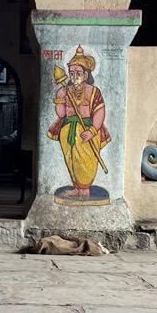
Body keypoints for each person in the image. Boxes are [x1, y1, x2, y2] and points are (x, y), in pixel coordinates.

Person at [47, 46, 110, 199]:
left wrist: (92, 131)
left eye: (78, 73)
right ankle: (77, 188)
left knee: (86, 161)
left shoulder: (94, 91)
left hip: (87, 131)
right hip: (67, 131)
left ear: (86, 74)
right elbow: (61, 114)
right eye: (72, 73)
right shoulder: (64, 91)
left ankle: (85, 190)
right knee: (71, 160)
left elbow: (99, 112)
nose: (75, 76)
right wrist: (60, 98)